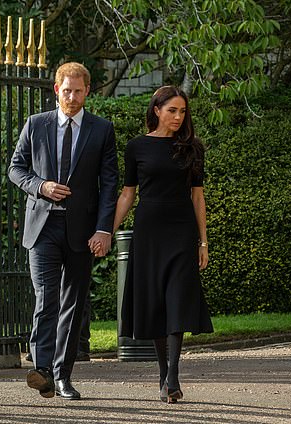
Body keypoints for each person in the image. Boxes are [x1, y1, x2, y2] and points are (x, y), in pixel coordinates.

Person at [9, 62, 118, 400]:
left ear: (88, 91)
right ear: (56, 90)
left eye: (78, 91)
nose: (72, 97)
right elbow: (16, 169)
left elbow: (110, 183)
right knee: (47, 297)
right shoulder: (36, 124)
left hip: (82, 230)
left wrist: (104, 230)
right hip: (42, 226)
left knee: (73, 303)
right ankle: (41, 369)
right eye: (66, 90)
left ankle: (62, 376)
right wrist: (41, 186)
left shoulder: (101, 130)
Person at [113, 85, 213, 404]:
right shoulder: (136, 147)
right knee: (155, 301)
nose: (178, 117)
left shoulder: (192, 148)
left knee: (178, 299)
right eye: (172, 110)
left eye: (183, 111)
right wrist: (105, 231)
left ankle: (172, 375)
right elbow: (128, 193)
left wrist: (203, 241)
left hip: (182, 231)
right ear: (157, 110)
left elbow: (198, 195)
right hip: (149, 231)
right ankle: (163, 372)